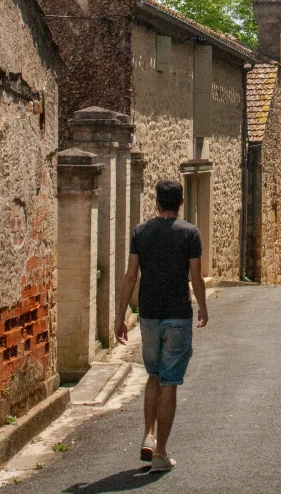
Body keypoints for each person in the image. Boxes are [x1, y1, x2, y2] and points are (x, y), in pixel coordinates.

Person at [115, 179, 208, 472]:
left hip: (149, 315)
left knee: (153, 375)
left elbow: (130, 275)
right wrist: (203, 307)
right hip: (178, 314)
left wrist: (119, 317)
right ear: (181, 203)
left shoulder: (140, 232)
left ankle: (148, 434)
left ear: (156, 203)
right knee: (170, 382)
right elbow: (196, 277)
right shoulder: (190, 233)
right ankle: (161, 454)